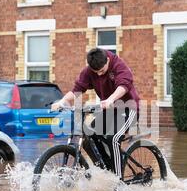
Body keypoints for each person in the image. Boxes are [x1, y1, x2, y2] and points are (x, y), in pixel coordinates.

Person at [51, 48, 140, 182]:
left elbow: (124, 85)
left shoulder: (118, 65)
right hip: (109, 110)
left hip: (129, 109)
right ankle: (105, 168)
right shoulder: (89, 71)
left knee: (113, 138)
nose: (98, 75)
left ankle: (118, 181)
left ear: (108, 61)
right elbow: (78, 89)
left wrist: (111, 99)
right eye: (95, 72)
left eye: (102, 71)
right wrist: (62, 101)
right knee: (88, 137)